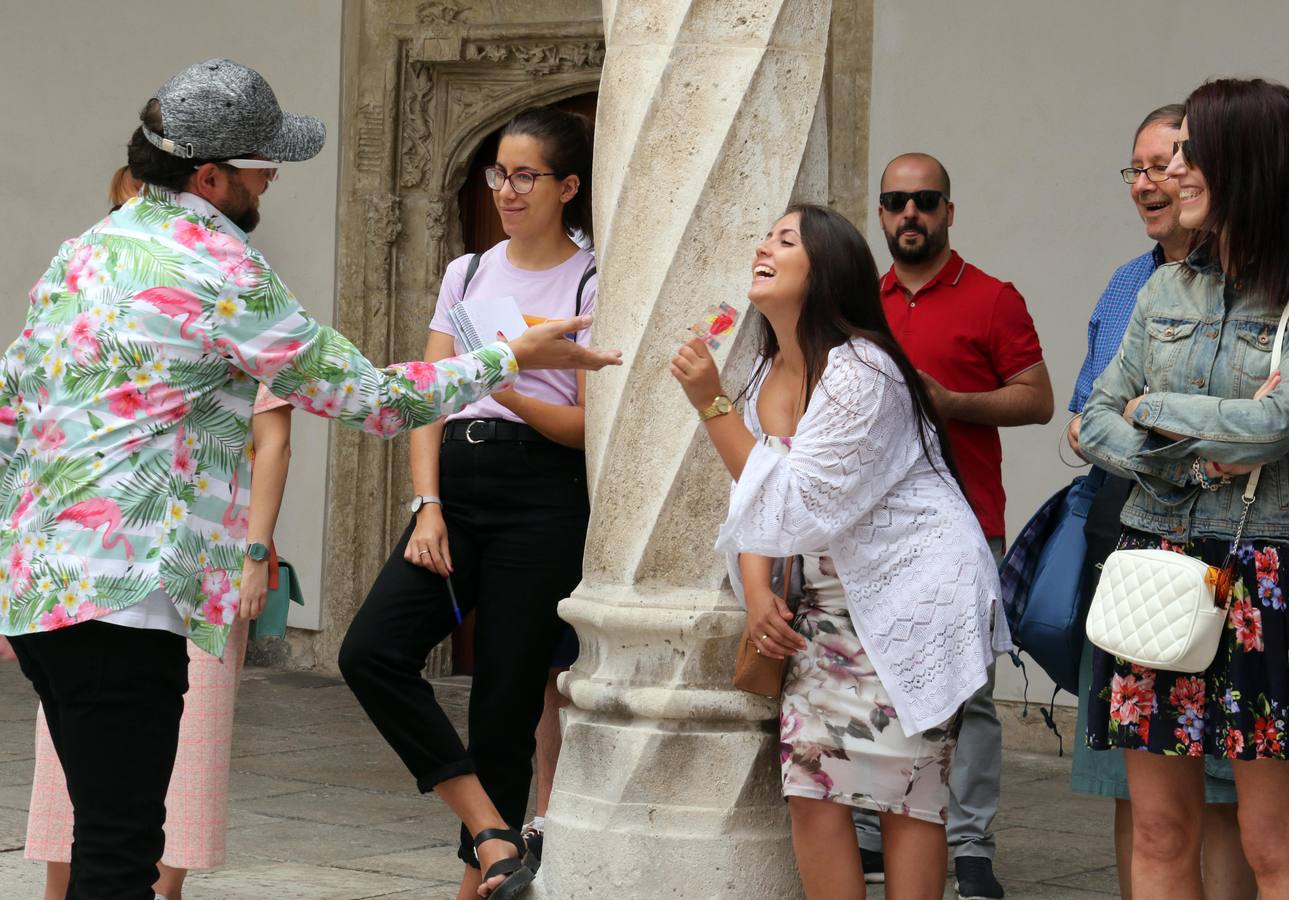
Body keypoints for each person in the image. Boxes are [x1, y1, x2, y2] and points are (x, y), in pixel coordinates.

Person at [0, 59, 618, 900]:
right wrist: (509, 357)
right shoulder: (219, 268)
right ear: (209, 175)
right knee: (119, 849)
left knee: (104, 831)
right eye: (260, 165)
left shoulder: (86, 249)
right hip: (125, 598)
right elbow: (368, 398)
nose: (271, 179)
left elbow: (13, 406)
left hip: (46, 588)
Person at [671, 203, 1008, 899]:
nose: (764, 245)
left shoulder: (863, 370)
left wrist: (710, 405)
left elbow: (794, 500)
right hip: (819, 609)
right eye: (765, 234)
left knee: (906, 790)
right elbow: (759, 493)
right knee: (812, 783)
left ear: (823, 269)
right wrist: (759, 591)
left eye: (785, 239)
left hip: (904, 602)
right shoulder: (765, 372)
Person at [339, 105, 597, 900]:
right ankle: (493, 834)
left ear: (567, 186)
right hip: (455, 485)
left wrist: (501, 382)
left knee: (505, 706)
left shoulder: (591, 278)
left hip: (542, 494)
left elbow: (586, 428)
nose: (508, 191)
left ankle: (478, 879)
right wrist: (427, 504)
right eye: (498, 173)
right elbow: (426, 398)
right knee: (371, 652)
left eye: (525, 175)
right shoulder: (467, 272)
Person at [1080, 77, 1289, 900]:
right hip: (1153, 561)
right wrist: (1197, 451)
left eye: (1190, 152)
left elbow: (1278, 427)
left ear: (1246, 161)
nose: (1173, 170)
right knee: (1161, 831)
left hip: (1263, 567)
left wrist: (1155, 412)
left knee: (1270, 841)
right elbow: (1094, 420)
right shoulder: (1163, 285)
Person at [861, 152, 1054, 900]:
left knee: (966, 692)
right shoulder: (856, 302)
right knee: (876, 681)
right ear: (880, 213)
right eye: (894, 202)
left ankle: (971, 846)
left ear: (947, 210)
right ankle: (876, 831)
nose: (909, 214)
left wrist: (952, 401)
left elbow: (1035, 400)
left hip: (967, 525)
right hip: (869, 528)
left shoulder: (992, 298)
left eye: (924, 201)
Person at [27, 386, 291, 900]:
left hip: (207, 564)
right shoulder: (123, 326)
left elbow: (275, 444)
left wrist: (255, 554)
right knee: (68, 748)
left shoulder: (250, 333)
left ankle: (161, 890)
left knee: (195, 740)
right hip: (97, 571)